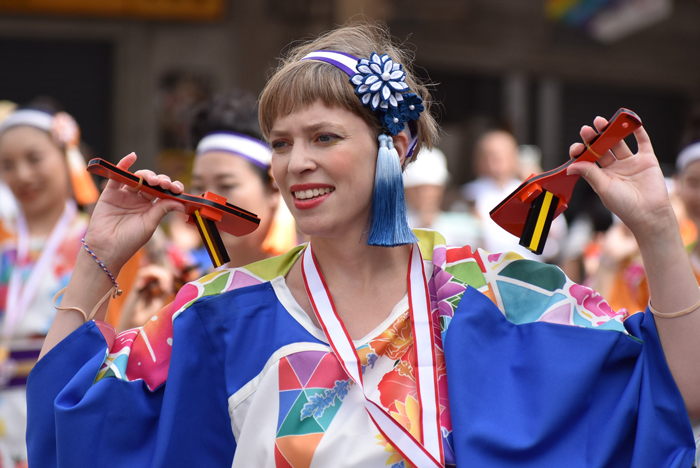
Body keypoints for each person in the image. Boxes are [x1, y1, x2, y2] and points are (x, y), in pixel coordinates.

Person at [28, 22, 699, 468]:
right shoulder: (221, 312)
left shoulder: (496, 291)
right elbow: (68, 428)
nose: (295, 164)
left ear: (395, 146)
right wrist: (99, 260)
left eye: (323, 138)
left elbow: (681, 392)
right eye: (281, 144)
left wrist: (657, 228)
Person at [117, 90, 297, 330]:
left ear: (274, 189)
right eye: (199, 186)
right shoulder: (181, 292)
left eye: (227, 185)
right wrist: (135, 329)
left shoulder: (311, 284)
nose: (207, 201)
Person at [0, 104, 100, 467]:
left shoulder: (99, 240)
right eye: (7, 164)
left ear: (66, 156)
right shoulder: (3, 240)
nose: (22, 174)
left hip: (69, 397)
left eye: (34, 158)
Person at [461, 129, 567, 261]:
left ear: (514, 157)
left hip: (528, 268)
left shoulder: (530, 189)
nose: (497, 160)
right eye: (490, 155)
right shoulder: (468, 194)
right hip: (485, 270)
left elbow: (555, 236)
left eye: (503, 154)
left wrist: (541, 185)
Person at [403, 146, 482, 247]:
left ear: (442, 188)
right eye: (417, 188)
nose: (425, 194)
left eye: (432, 188)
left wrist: (478, 226)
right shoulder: (390, 226)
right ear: (405, 190)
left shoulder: (462, 222)